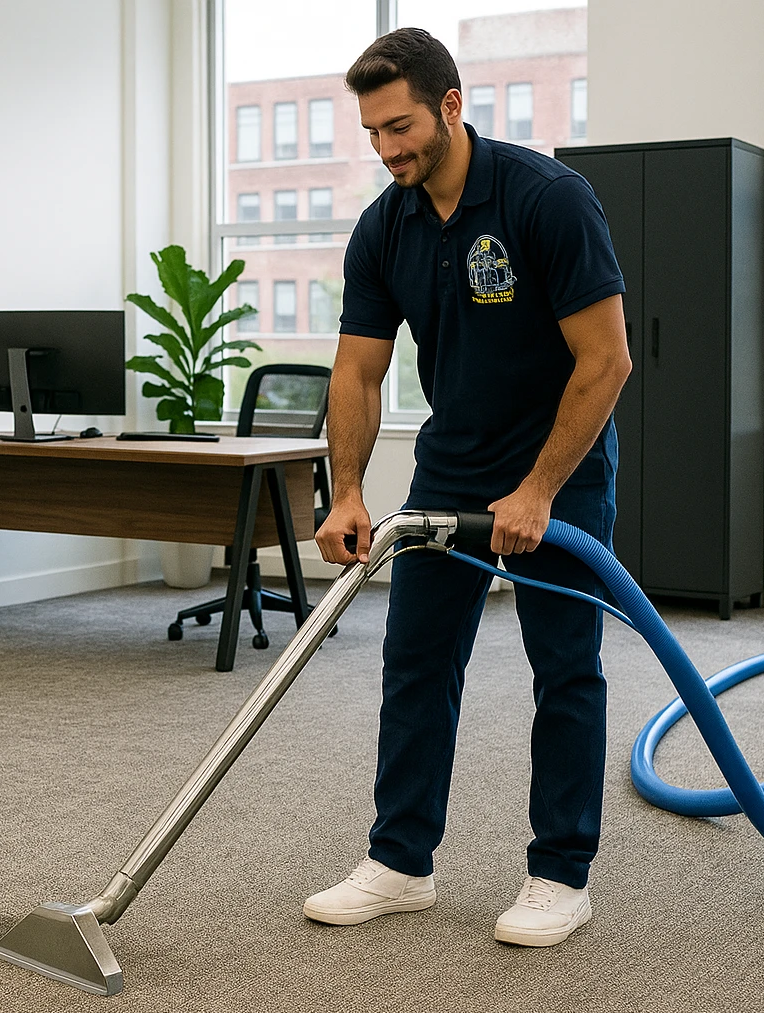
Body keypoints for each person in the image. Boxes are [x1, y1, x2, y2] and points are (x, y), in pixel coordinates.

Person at [304, 27, 631, 948]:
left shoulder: (547, 201)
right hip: (451, 465)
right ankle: (401, 862)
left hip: (558, 470)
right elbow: (358, 373)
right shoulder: (386, 224)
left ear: (450, 104)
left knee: (563, 669)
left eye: (399, 126)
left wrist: (536, 492)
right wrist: (349, 491)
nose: (387, 148)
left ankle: (561, 876)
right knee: (415, 661)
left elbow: (606, 364)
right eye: (372, 132)